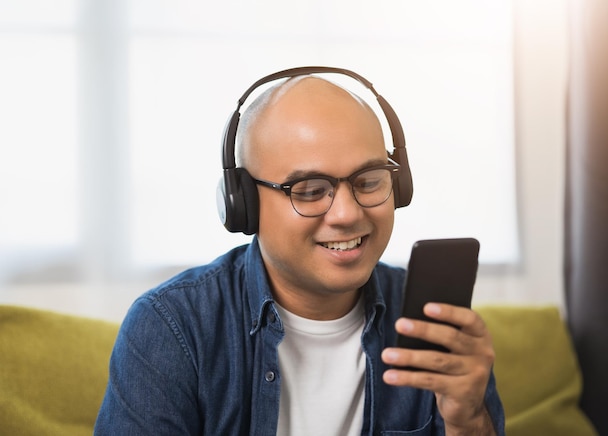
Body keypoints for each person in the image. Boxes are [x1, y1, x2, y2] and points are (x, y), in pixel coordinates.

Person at [94, 68, 505, 435]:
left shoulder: (434, 325)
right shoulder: (172, 327)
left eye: (369, 180)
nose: (346, 214)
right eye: (309, 191)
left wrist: (468, 422)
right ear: (244, 206)